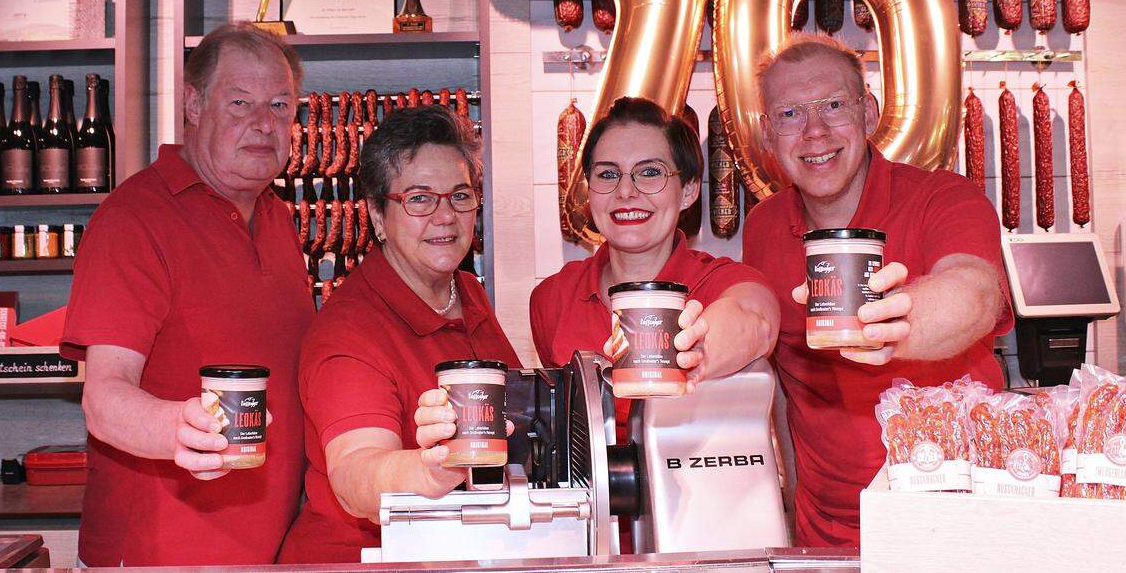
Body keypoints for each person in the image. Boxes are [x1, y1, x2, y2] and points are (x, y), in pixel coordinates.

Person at [741, 34, 1012, 548]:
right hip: (825, 533)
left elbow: (975, 296)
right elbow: (785, 381)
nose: (815, 132)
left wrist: (896, 323)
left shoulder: (945, 197)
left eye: (834, 106)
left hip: (958, 523)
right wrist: (791, 506)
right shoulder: (762, 226)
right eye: (790, 115)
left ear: (869, 114)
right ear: (767, 135)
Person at [59, 22, 314, 566]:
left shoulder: (278, 219)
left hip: (270, 548)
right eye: (241, 102)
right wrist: (178, 429)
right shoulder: (134, 219)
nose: (264, 125)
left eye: (280, 106)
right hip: (160, 555)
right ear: (194, 104)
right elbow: (103, 399)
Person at [278, 106, 521, 563]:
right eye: (419, 198)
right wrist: (431, 472)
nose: (445, 216)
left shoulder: (466, 291)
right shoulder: (349, 332)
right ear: (376, 214)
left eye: (460, 195)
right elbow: (355, 473)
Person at [530, 97, 780, 435]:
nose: (626, 192)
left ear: (689, 190)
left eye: (650, 173)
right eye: (607, 174)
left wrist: (695, 352)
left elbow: (757, 322)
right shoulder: (551, 299)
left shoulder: (726, 280)